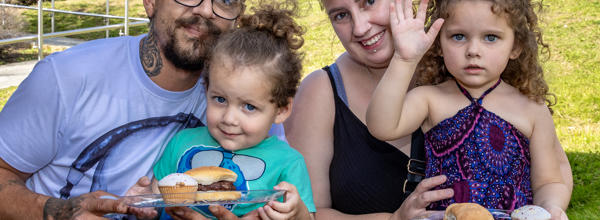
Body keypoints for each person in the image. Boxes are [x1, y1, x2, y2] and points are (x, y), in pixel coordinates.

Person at [284, 0, 573, 219]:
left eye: (369, 0)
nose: (360, 28)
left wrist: (550, 208)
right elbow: (382, 125)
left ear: (515, 46)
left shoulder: (526, 105)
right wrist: (404, 59)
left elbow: (552, 177)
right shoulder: (431, 97)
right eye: (341, 14)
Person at [0, 0, 284, 218]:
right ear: (150, 2)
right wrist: (57, 214)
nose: (207, 10)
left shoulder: (251, 101)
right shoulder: (67, 76)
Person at [151, 4, 315, 220]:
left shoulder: (287, 162)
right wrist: (143, 208)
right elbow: (154, 199)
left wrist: (298, 213)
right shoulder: (181, 143)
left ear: (281, 110)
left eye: (249, 107)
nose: (229, 119)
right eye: (220, 99)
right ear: (206, 90)